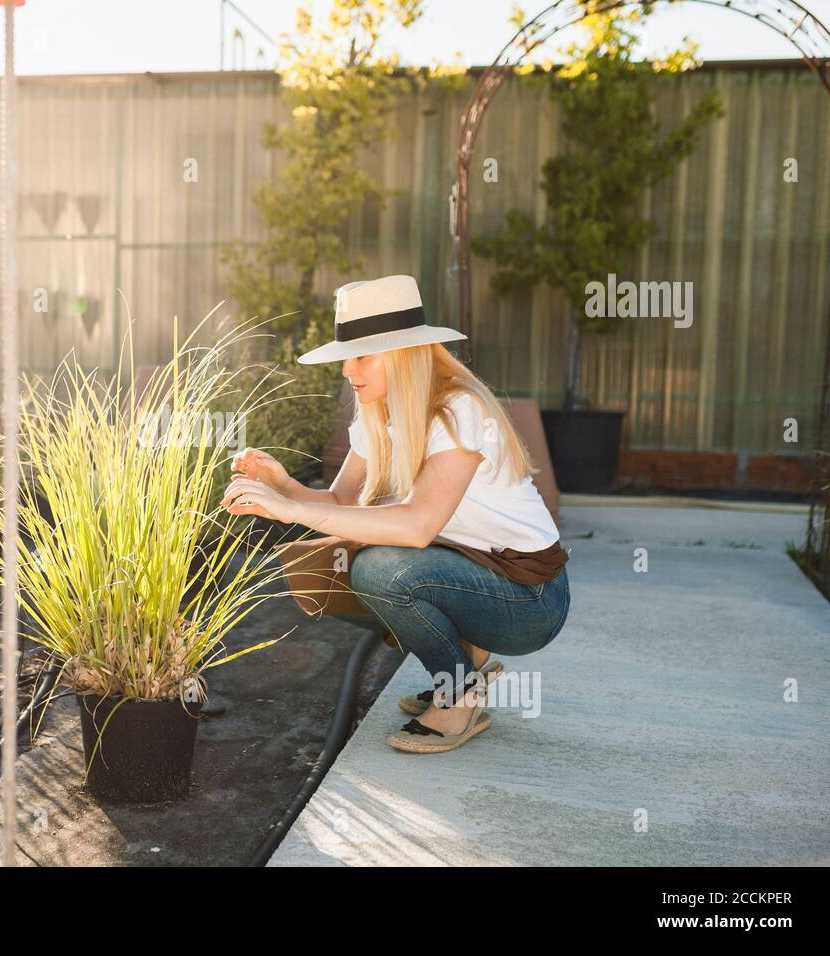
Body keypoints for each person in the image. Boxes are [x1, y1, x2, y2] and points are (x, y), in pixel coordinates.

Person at [222, 274, 571, 754]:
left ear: (403, 354)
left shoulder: (457, 410)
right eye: (347, 357)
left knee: (379, 570)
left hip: (530, 599)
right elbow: (344, 504)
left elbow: (416, 524)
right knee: (328, 575)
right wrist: (285, 487)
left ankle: (459, 694)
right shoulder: (379, 412)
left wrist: (291, 508)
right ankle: (463, 660)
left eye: (362, 356)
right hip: (470, 570)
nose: (348, 370)